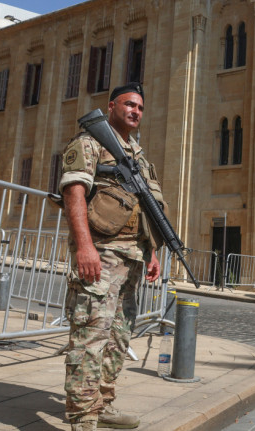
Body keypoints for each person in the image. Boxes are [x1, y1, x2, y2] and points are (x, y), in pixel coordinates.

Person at [60, 82, 162, 431]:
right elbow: (74, 193)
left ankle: (102, 404)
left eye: (141, 108)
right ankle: (82, 417)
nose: (136, 111)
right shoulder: (90, 143)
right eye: (130, 104)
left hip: (132, 259)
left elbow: (145, 209)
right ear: (112, 106)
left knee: (118, 338)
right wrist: (84, 246)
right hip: (101, 255)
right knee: (91, 335)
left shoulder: (138, 157)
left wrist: (151, 252)